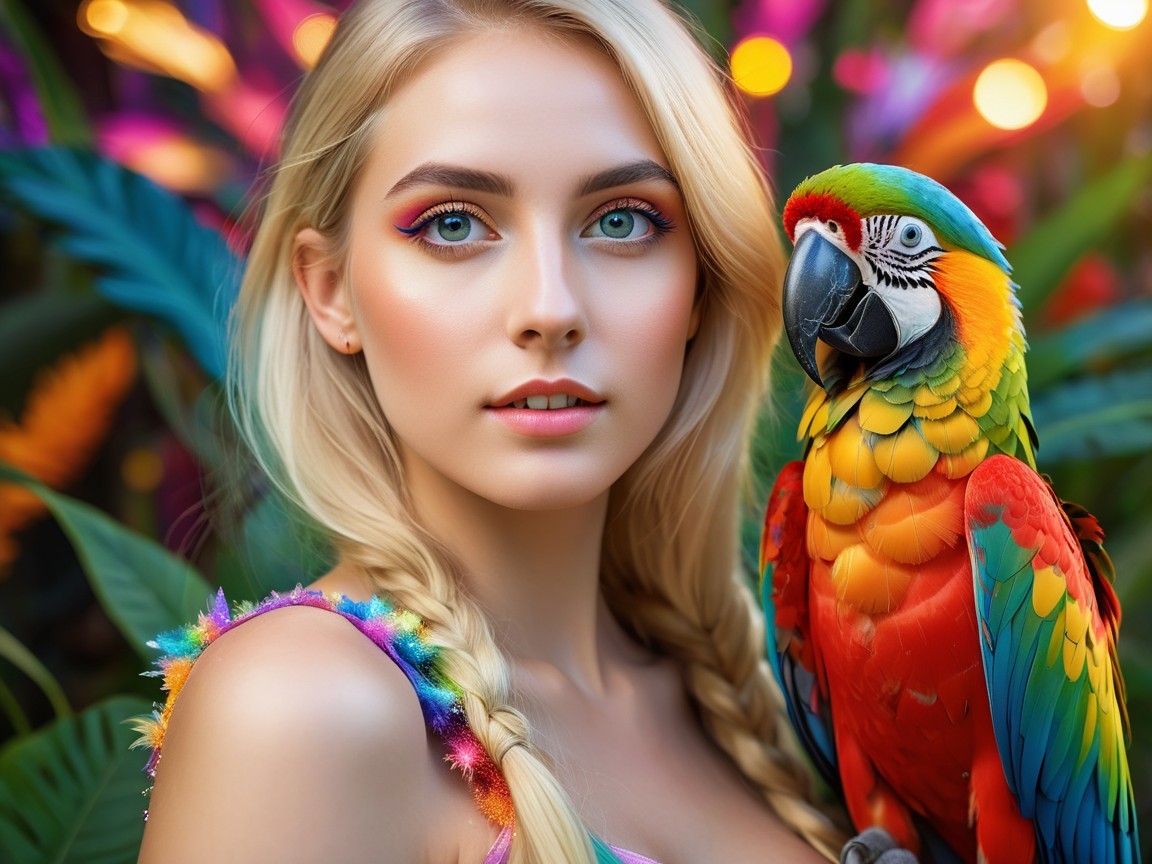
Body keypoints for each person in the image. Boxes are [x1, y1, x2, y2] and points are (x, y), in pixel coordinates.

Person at [134, 1, 856, 861]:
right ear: (330, 291)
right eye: (452, 224)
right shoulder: (302, 705)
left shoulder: (738, 703)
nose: (549, 309)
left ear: (701, 283)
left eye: (622, 220)